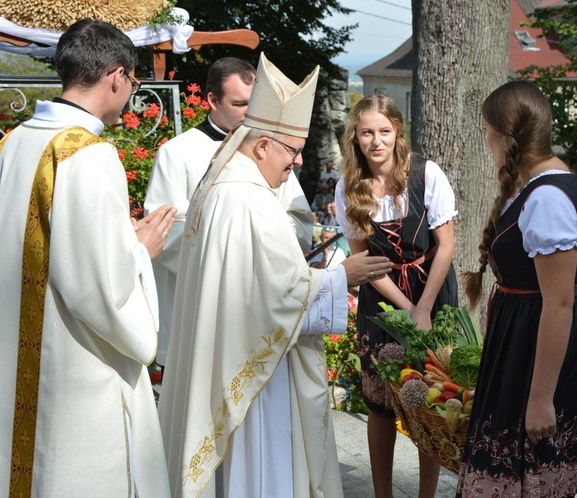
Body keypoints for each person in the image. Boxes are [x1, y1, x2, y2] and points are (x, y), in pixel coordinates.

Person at [157, 53, 393, 498]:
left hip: (238, 357)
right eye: (292, 150)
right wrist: (341, 275)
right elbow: (274, 297)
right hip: (255, 383)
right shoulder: (244, 197)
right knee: (262, 471)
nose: (299, 162)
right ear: (261, 145)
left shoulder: (229, 184)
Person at [0, 19, 173, 496]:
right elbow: (101, 291)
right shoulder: (89, 155)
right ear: (117, 76)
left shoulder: (13, 142)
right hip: (76, 365)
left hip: (17, 358)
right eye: (134, 82)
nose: (131, 92)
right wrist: (140, 251)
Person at [457, 81, 577, 497]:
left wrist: (541, 398)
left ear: (504, 134)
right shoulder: (535, 184)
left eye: (487, 131)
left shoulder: (547, 197)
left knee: (530, 470)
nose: (486, 141)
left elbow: (558, 304)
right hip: (520, 343)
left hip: (541, 353)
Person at [144, 57, 313, 372]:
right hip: (197, 302)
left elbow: (299, 221)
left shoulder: (269, 150)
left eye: (253, 104)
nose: (248, 113)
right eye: (239, 104)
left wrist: (261, 248)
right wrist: (227, 254)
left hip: (259, 304)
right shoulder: (177, 152)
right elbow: (164, 232)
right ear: (212, 100)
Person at [335, 93, 458, 498]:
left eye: (384, 131)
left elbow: (446, 246)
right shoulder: (349, 187)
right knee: (381, 403)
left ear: (397, 132)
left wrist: (423, 307)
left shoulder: (426, 174)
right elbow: (363, 262)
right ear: (356, 136)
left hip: (433, 290)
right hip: (383, 297)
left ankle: (426, 495)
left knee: (431, 401)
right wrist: (405, 308)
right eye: (367, 132)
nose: (376, 141)